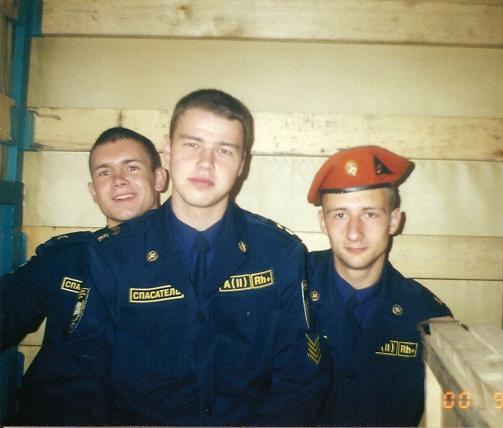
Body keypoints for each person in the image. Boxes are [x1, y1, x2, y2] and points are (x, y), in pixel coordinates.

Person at [73, 89, 328, 426]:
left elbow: (299, 379)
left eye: (224, 150)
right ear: (168, 150)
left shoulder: (279, 252)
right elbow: (80, 374)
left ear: (242, 164)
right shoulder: (113, 255)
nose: (206, 163)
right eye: (192, 144)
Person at [0, 127, 167, 424]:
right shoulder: (64, 258)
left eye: (132, 167)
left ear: (159, 179)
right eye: (105, 172)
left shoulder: (196, 264)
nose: (118, 180)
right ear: (93, 192)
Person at [306, 145, 452, 426]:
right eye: (340, 215)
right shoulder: (287, 293)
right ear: (323, 222)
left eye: (370, 214)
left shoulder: (426, 316)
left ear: (394, 221)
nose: (354, 232)